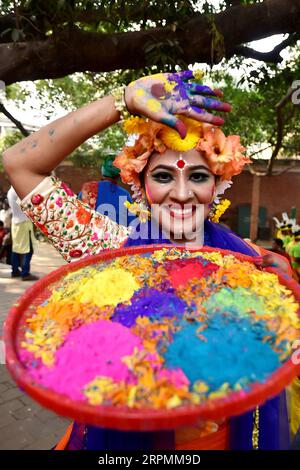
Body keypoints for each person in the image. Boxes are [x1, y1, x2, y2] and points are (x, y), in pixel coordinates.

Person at [2, 70, 292, 449]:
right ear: (140, 184)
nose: (183, 193)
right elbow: (19, 162)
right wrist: (122, 100)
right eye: (163, 176)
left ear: (217, 185)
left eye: (198, 176)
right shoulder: (107, 250)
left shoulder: (251, 263)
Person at [6, 186, 39, 281]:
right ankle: (25, 273)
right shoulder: (19, 191)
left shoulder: (10, 191)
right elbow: (28, 205)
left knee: (16, 248)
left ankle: (15, 271)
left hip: (16, 222)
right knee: (28, 249)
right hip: (24, 223)